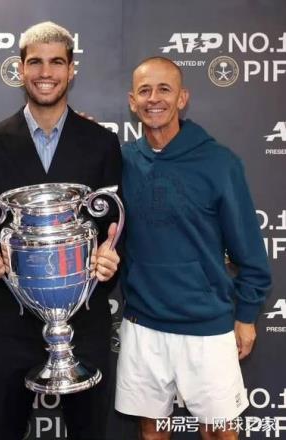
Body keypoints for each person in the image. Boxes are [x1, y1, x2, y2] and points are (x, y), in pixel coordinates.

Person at [0, 21, 122, 440]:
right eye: (35, 62)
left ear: (71, 69)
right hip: (12, 322)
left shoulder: (102, 143)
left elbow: (115, 227)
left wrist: (111, 258)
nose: (45, 72)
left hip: (84, 322)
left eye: (56, 62)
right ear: (20, 69)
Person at [115, 56, 272, 439]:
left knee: (219, 433)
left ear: (182, 98)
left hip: (207, 326)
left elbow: (250, 251)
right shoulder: (122, 161)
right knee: (152, 432)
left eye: (164, 89)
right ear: (133, 101)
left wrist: (246, 315)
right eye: (145, 91)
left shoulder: (219, 162)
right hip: (143, 325)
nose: (154, 99)